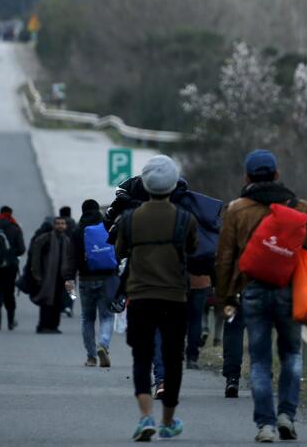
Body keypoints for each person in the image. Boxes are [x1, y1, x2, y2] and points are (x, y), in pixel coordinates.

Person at [216, 149, 307, 443]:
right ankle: (287, 415)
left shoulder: (236, 210)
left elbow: (224, 259)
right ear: (276, 175)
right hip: (289, 291)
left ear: (247, 177)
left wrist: (223, 297)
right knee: (291, 354)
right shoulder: (299, 207)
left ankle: (266, 425)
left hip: (253, 291)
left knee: (259, 361)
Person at [116, 154, 196, 441]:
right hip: (174, 298)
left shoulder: (129, 219)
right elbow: (193, 247)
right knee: (173, 359)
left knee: (142, 356)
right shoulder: (185, 219)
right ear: (174, 184)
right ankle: (167, 420)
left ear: (145, 184)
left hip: (140, 296)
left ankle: (145, 416)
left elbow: (120, 252)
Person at [68, 199, 116, 367]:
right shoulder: (108, 227)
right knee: (107, 316)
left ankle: (91, 357)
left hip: (86, 280)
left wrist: (69, 278)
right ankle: (103, 344)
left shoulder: (78, 230)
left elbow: (72, 258)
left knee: (87, 318)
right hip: (107, 278)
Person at [29, 215, 74, 334]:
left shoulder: (66, 240)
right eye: (58, 223)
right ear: (54, 225)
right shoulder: (45, 238)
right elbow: (36, 257)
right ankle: (43, 326)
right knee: (46, 301)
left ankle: (54, 326)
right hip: (47, 276)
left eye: (62, 223)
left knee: (58, 302)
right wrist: (37, 274)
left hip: (61, 276)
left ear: (65, 226)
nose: (60, 225)